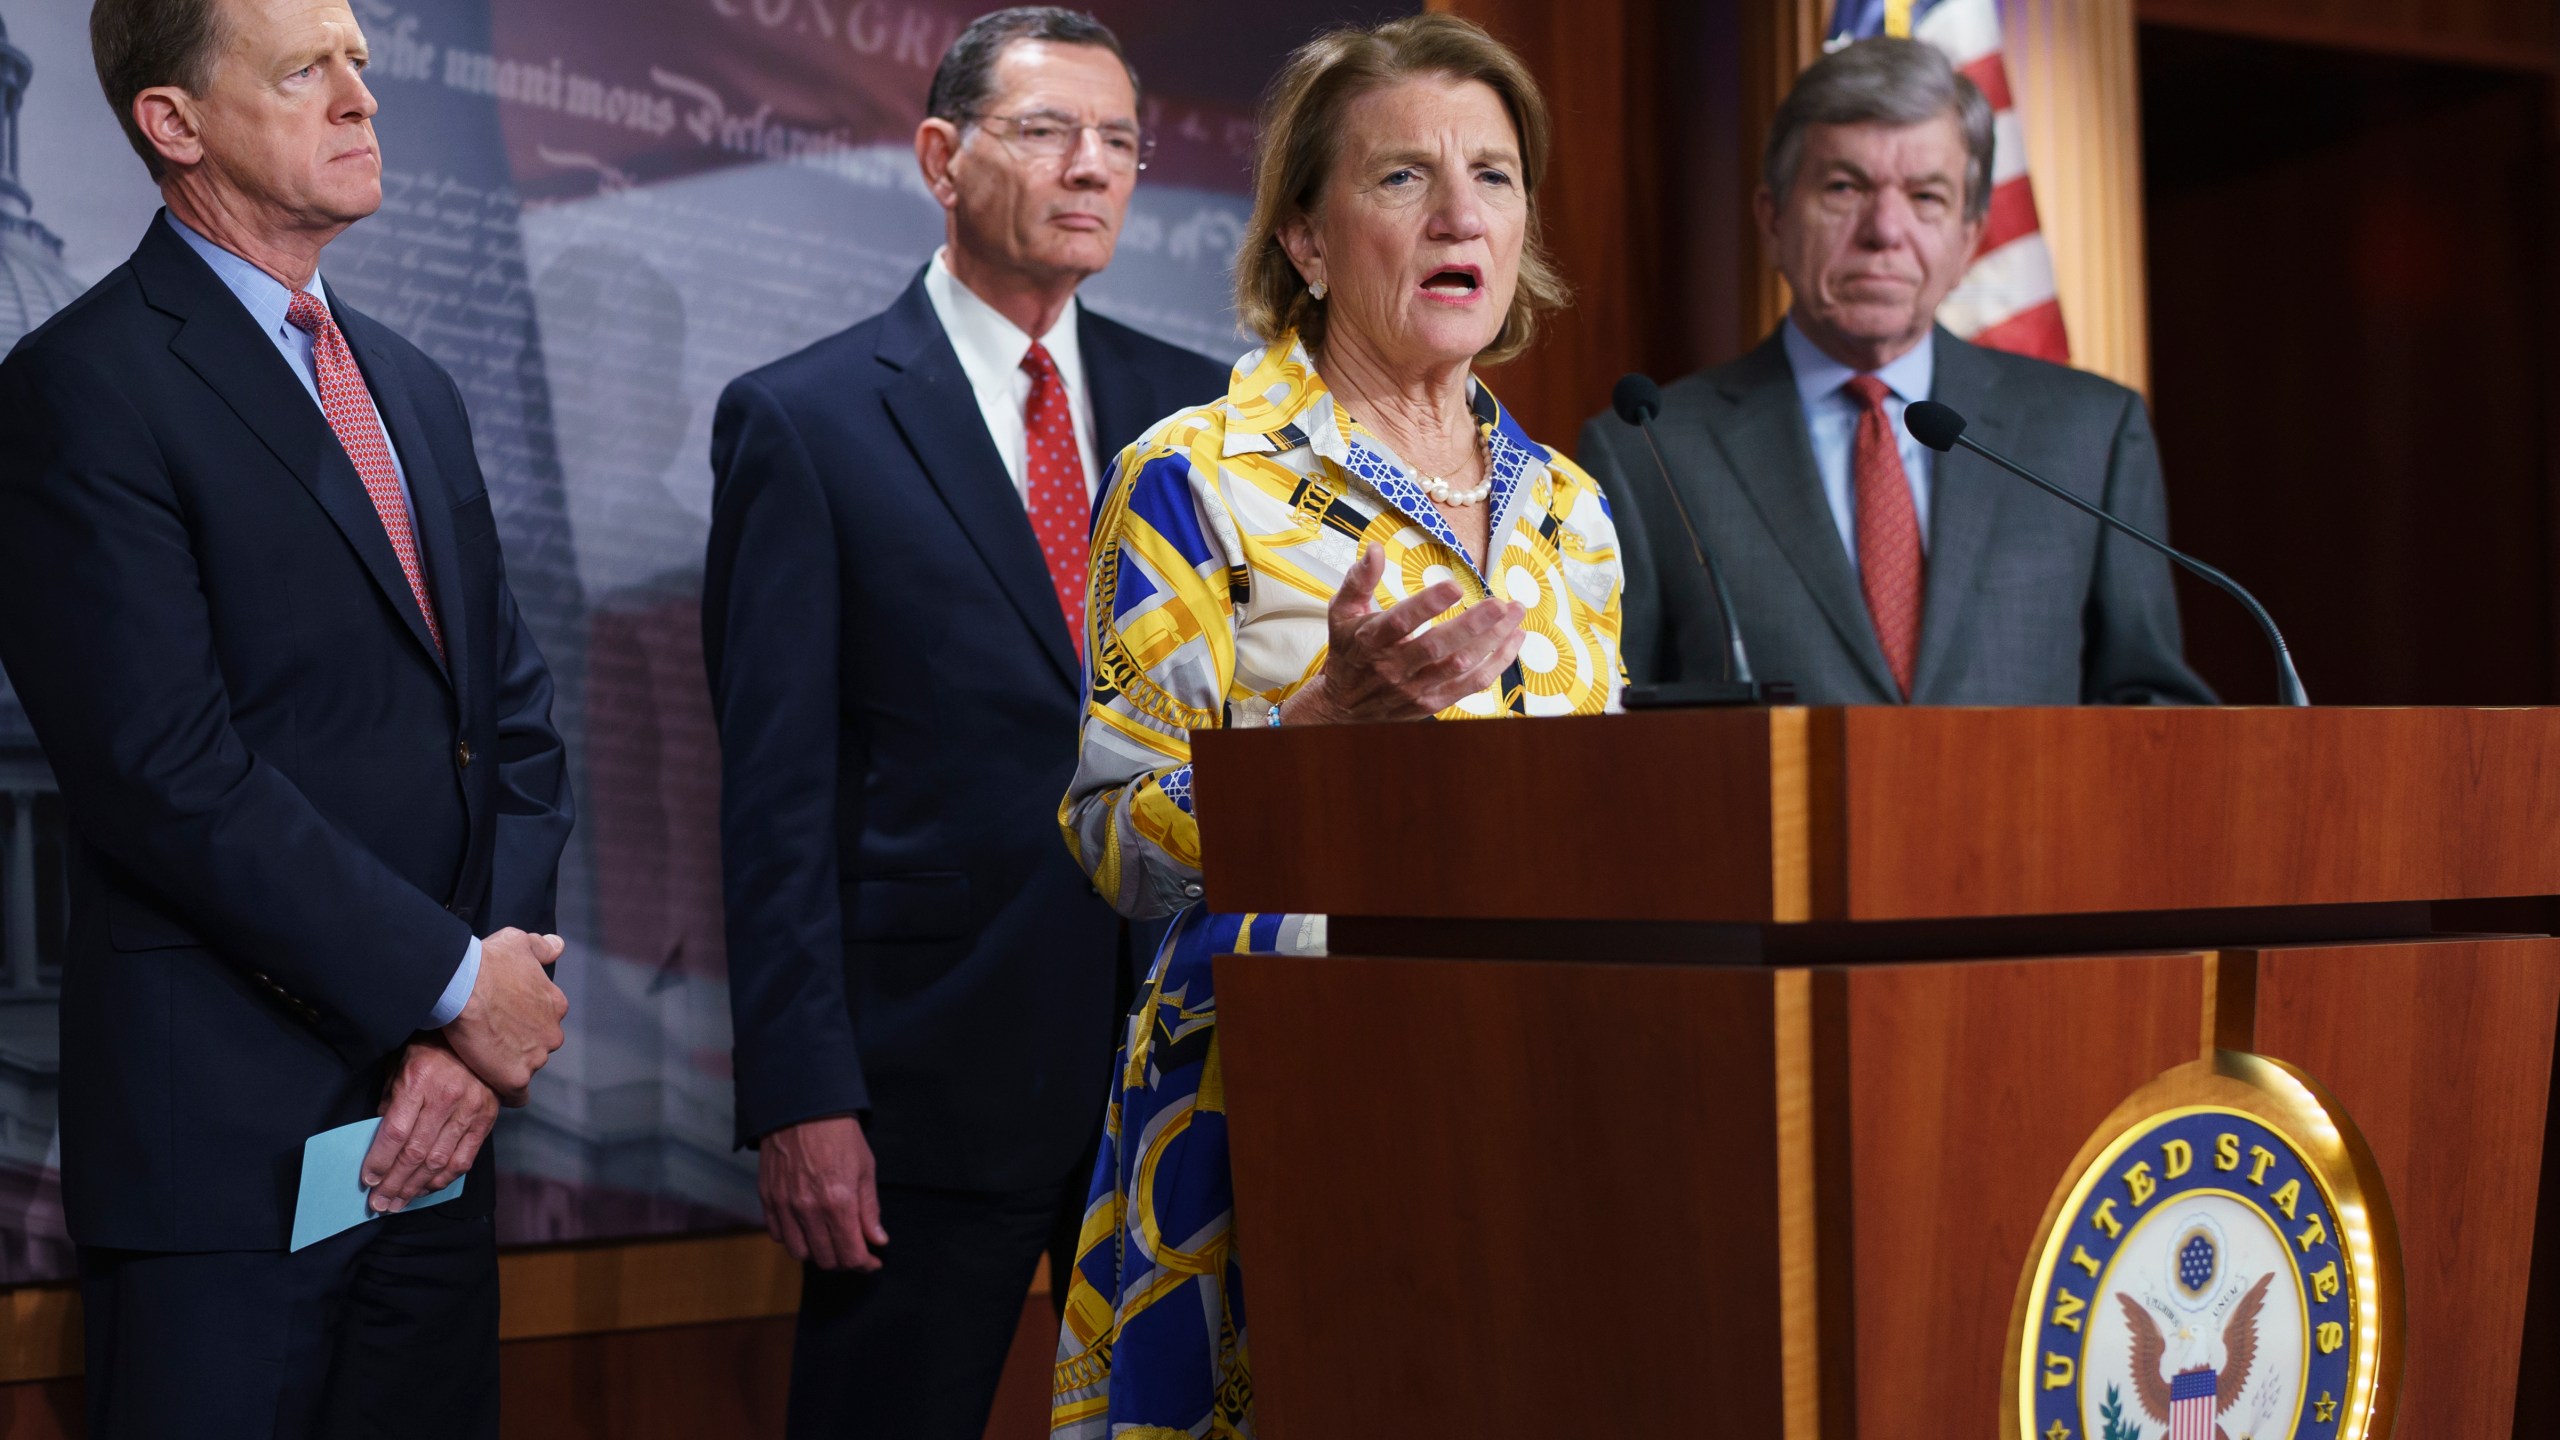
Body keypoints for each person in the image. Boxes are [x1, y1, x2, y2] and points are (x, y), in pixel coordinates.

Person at [0, 0, 575, 1434]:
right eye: (306, 70)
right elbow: (166, 775)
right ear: (173, 123)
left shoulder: (416, 393)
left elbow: (513, 738)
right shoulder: (78, 389)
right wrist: (454, 985)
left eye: (363, 65)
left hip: (438, 1139)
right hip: (231, 1167)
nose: (360, 99)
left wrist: (463, 1044)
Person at [1050, 15, 1623, 1435]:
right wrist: (1308, 738)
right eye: (1401, 178)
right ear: (1304, 239)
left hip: (1553, 1093)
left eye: (1493, 177)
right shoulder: (1194, 480)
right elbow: (1111, 838)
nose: (1459, 214)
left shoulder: (1576, 512)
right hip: (1280, 1108)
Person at [702, 8, 1227, 1436]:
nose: (1093, 168)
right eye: (1050, 131)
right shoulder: (803, 422)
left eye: (1120, 140)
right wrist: (803, 1094)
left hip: (1177, 1060)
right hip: (930, 1078)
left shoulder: (1201, 419)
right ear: (942, 156)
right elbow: (775, 795)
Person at [1578, 37, 2213, 705]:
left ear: (1969, 239)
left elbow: (2153, 715)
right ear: (1773, 221)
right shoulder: (1646, 451)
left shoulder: (2091, 435)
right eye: (1845, 187)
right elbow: (1615, 731)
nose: (1885, 229)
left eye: (1926, 196)